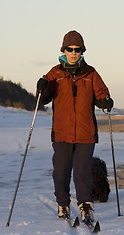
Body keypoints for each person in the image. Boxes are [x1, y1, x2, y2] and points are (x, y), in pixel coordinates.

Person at [36, 30, 113, 223]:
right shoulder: (55, 73)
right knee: (61, 171)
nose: (73, 52)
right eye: (70, 49)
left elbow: (101, 92)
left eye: (77, 49)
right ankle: (63, 205)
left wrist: (105, 100)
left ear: (82, 51)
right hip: (62, 133)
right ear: (64, 49)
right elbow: (42, 98)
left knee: (82, 171)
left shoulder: (91, 73)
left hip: (86, 133)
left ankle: (86, 207)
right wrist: (42, 87)